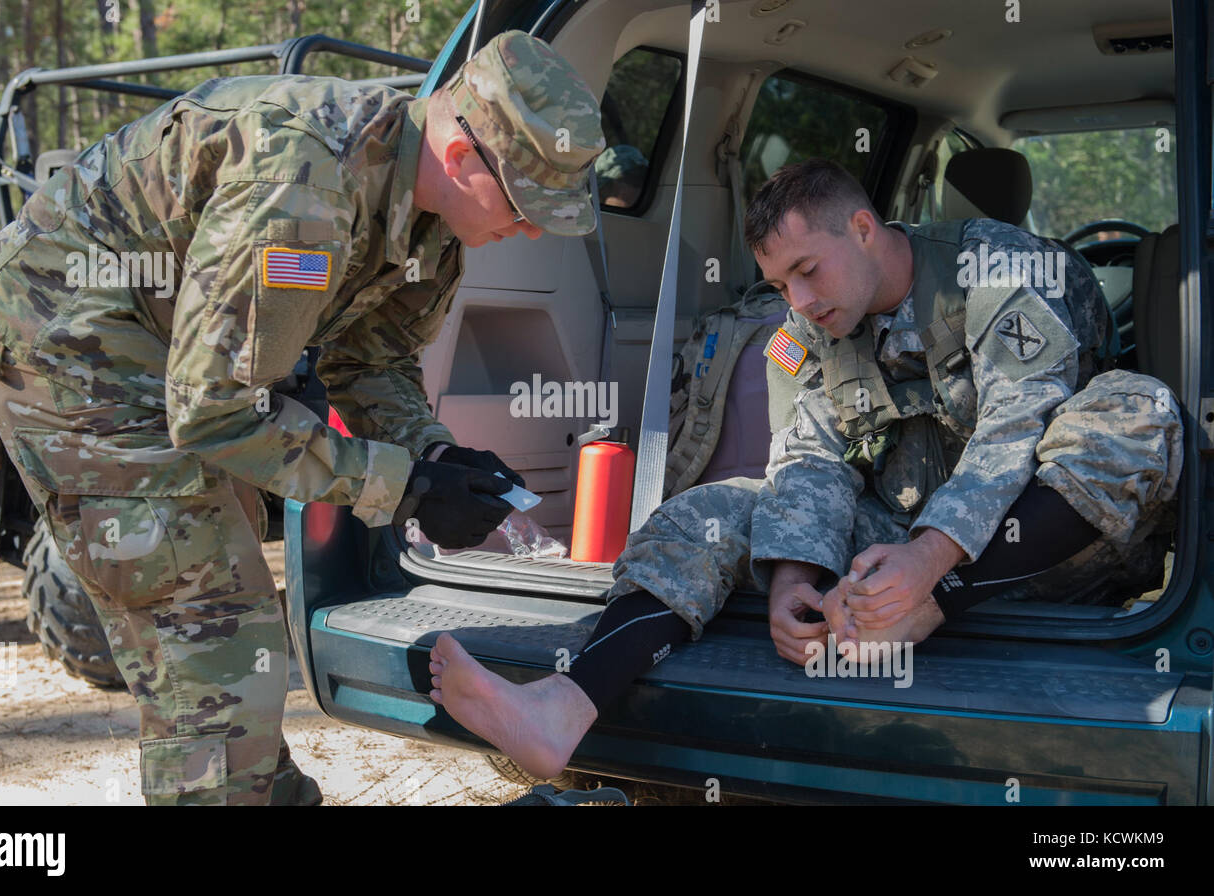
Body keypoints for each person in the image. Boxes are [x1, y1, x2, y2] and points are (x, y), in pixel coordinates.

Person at [0, 31, 604, 805]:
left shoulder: (436, 223)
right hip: (70, 350)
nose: (531, 231)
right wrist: (404, 489)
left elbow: (373, 362)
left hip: (171, 361)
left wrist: (437, 458)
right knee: (211, 636)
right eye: (527, 206)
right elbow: (215, 409)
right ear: (464, 158)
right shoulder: (303, 189)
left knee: (231, 629)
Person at [428, 158, 1182, 781]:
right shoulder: (808, 327)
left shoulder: (995, 273)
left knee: (1138, 408)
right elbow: (807, 456)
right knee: (713, 508)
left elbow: (1014, 436)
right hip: (896, 549)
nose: (799, 300)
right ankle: (565, 705)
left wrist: (929, 573)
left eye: (808, 271)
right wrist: (792, 578)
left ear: (863, 229)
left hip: (1049, 546)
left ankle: (932, 606)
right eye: (782, 282)